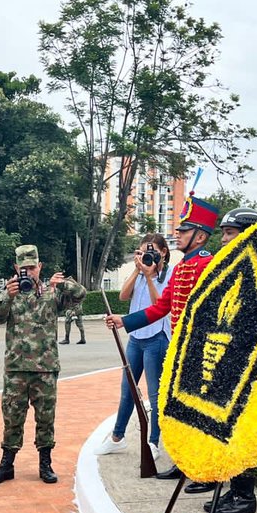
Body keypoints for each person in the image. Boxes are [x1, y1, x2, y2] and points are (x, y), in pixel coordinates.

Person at [105, 193, 219, 479]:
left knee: (192, 409)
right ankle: (184, 465)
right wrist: (125, 320)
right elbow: (162, 307)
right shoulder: (183, 267)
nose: (178, 234)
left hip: (196, 348)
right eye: (179, 230)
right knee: (182, 408)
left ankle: (199, 470)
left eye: (184, 230)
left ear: (201, 237)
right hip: (182, 348)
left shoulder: (207, 265)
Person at [0, 245, 87, 485]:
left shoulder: (52, 293)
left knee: (46, 417)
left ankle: (45, 464)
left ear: (39, 267)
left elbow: (81, 294)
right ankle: (7, 464)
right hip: (16, 368)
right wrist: (6, 295)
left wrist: (60, 284)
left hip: (45, 368)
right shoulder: (11, 293)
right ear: (16, 268)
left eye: (32, 267)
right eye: (24, 268)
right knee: (11, 416)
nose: (28, 272)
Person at [193, 207, 257, 513]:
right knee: (227, 431)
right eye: (223, 232)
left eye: (230, 232)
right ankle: (234, 489)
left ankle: (244, 496)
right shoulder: (232, 268)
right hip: (226, 358)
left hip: (251, 364)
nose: (224, 239)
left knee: (244, 430)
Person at [93, 233, 172, 459]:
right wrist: (138, 270)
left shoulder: (169, 274)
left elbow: (161, 306)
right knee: (127, 391)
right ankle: (117, 437)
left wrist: (150, 276)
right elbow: (123, 295)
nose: (146, 256)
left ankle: (153, 442)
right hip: (136, 338)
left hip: (156, 338)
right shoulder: (139, 272)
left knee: (155, 395)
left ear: (163, 252)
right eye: (142, 252)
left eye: (151, 252)